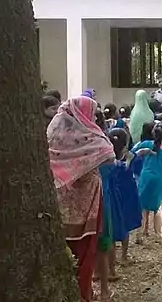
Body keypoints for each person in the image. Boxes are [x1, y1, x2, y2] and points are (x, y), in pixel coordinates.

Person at [47, 96, 116, 302]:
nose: (93, 118)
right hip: (88, 201)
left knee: (64, 247)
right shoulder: (90, 136)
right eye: (92, 113)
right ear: (83, 113)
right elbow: (110, 157)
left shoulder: (53, 133)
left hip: (61, 199)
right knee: (86, 248)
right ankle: (83, 293)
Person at [132, 122, 162, 239]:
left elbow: (132, 151)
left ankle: (140, 233)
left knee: (143, 205)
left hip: (145, 176)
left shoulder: (146, 144)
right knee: (157, 207)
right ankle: (158, 234)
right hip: (159, 178)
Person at [103, 128, 141, 266]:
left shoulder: (106, 159)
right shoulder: (130, 157)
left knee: (112, 225)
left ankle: (110, 259)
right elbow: (135, 170)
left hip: (113, 196)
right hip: (128, 194)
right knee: (126, 225)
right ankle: (124, 256)